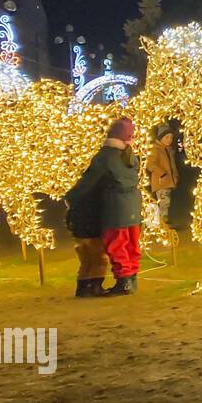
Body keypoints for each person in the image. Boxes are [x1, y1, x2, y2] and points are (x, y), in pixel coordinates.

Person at [64, 117, 142, 296]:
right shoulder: (131, 158)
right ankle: (130, 280)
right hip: (133, 209)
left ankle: (123, 283)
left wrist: (71, 197)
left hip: (115, 210)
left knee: (117, 245)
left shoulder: (106, 157)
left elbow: (88, 182)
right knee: (131, 245)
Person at [146, 123, 179, 227]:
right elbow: (150, 164)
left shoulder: (168, 150)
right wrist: (162, 173)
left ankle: (161, 221)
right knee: (164, 201)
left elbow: (172, 165)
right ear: (161, 137)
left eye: (171, 137)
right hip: (161, 180)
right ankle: (163, 221)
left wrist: (175, 175)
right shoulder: (156, 149)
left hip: (168, 180)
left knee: (165, 201)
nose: (169, 139)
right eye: (167, 137)